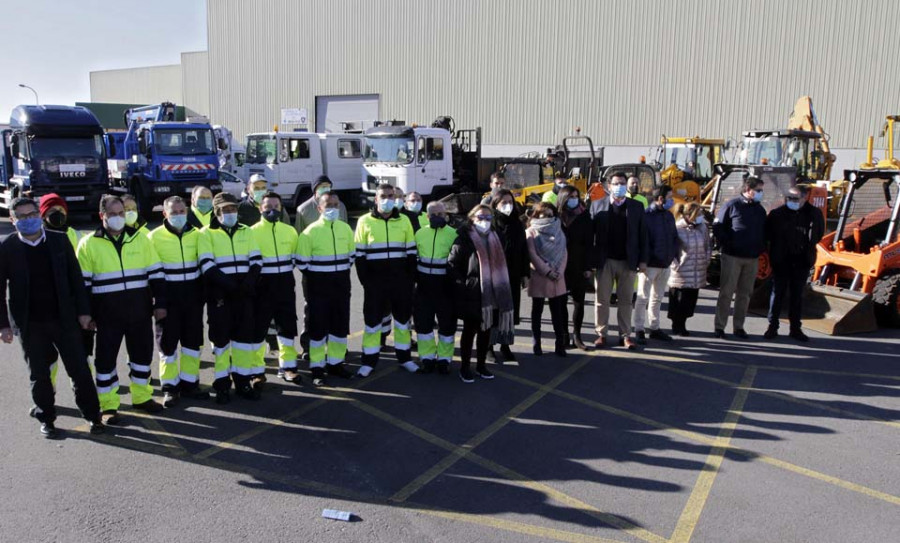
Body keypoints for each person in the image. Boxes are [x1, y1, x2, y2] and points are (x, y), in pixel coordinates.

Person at [1, 197, 104, 438]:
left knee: (79, 369)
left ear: (40, 214)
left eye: (32, 214)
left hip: (64, 319)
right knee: (39, 374)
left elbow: (75, 279)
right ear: (13, 220)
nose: (29, 220)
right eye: (23, 217)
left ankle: (92, 416)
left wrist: (84, 312)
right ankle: (46, 418)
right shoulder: (7, 248)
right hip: (31, 324)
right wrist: (3, 325)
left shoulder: (59, 241)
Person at [77, 195, 167, 423]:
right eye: (113, 214)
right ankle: (108, 406)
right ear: (102, 216)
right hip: (107, 315)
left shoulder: (140, 239)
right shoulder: (88, 243)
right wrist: (86, 313)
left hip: (139, 311)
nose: (118, 218)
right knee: (105, 362)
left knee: (142, 358)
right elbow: (82, 285)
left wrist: (161, 304)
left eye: (121, 213)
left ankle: (142, 398)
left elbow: (156, 274)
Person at [198, 192, 263, 403]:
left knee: (243, 342)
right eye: (225, 210)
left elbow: (256, 261)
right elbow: (207, 265)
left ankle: (243, 382)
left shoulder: (247, 231)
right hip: (220, 297)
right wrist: (231, 287)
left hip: (244, 295)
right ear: (216, 212)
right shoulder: (205, 234)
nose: (230, 213)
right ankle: (222, 385)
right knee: (222, 343)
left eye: (233, 208)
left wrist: (248, 284)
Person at [148, 196, 209, 407]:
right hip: (168, 301)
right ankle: (170, 388)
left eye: (182, 211)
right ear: (164, 214)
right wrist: (158, 304)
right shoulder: (154, 237)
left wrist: (202, 297)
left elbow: (204, 267)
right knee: (167, 346)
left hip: (192, 300)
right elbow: (151, 275)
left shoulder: (198, 235)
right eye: (174, 212)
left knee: (193, 344)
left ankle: (190, 384)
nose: (179, 216)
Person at [354, 183, 420, 377]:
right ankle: (369, 361)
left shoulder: (404, 221)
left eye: (391, 196)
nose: (387, 200)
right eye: (383, 196)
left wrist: (409, 280)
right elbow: (360, 256)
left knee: (402, 322)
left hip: (400, 283)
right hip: (375, 284)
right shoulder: (364, 221)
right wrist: (367, 282)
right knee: (373, 323)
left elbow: (411, 253)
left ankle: (405, 358)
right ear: (375, 199)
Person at [448, 205, 515, 383]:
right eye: (480, 217)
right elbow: (453, 265)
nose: (484, 221)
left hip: (493, 293)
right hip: (473, 292)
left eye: (488, 217)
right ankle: (464, 367)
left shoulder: (497, 236)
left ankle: (481, 365)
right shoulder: (464, 238)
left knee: (486, 331)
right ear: (471, 219)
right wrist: (465, 285)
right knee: (470, 331)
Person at [295, 191, 356, 386]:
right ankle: (317, 368)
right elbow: (302, 262)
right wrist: (321, 277)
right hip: (318, 288)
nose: (332, 209)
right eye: (328, 205)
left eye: (336, 205)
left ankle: (336, 364)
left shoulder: (345, 229)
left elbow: (351, 256)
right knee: (318, 329)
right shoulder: (310, 232)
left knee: (339, 327)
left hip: (341, 286)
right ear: (319, 208)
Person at [592, 174, 649, 350]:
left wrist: (643, 260)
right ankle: (601, 334)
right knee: (602, 299)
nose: (619, 186)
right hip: (605, 260)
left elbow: (643, 236)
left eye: (622, 184)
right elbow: (591, 236)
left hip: (628, 261)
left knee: (625, 300)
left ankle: (625, 335)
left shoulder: (637, 207)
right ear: (609, 185)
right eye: (616, 184)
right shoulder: (597, 205)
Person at [294, 175, 348, 360]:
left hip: (337, 273)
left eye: (328, 186)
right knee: (313, 311)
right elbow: (300, 238)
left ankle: (336, 353)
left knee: (338, 314)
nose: (325, 189)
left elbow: (346, 236)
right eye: (322, 186)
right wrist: (312, 272)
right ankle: (309, 346)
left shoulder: (341, 208)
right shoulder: (303, 210)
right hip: (314, 272)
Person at [250, 192, 301, 383]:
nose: (272, 210)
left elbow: (295, 258)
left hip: (285, 285)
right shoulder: (251, 232)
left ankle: (288, 367)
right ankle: (256, 371)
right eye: (267, 207)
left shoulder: (290, 231)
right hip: (261, 287)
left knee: (287, 328)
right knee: (258, 329)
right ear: (260, 208)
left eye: (276, 207)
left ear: (281, 208)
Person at [764, 185, 824, 341]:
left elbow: (818, 235)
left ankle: (795, 328)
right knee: (777, 293)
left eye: (795, 199)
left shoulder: (814, 214)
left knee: (797, 295)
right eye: (788, 198)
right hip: (781, 260)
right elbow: (768, 236)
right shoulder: (777, 214)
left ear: (805, 198)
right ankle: (772, 326)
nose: (791, 201)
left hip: (802, 260)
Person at [713, 176, 767, 339]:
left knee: (745, 294)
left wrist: (760, 248)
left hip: (752, 258)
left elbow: (764, 232)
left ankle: (739, 326)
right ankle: (720, 326)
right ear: (748, 190)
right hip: (732, 256)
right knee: (726, 292)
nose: (760, 194)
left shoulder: (760, 210)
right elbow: (718, 227)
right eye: (758, 190)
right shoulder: (732, 205)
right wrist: (729, 243)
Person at [413, 201, 458, 374]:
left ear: (446, 215)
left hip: (445, 289)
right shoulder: (419, 234)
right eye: (433, 215)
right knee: (423, 326)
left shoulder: (454, 234)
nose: (437, 217)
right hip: (424, 288)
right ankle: (427, 358)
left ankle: (445, 360)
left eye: (440, 214)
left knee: (447, 326)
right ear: (427, 216)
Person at [634, 186, 679, 343]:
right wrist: (643, 261)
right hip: (649, 264)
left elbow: (673, 237)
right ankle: (639, 329)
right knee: (642, 297)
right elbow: (642, 241)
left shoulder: (668, 216)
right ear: (660, 198)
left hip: (665, 264)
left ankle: (654, 327)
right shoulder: (646, 216)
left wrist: (674, 256)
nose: (672, 200)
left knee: (657, 298)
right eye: (669, 196)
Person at [488, 189, 528, 362]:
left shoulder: (517, 224)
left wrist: (525, 274)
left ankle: (505, 345)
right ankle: (488, 347)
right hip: (494, 275)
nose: (507, 206)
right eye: (503, 202)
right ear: (495, 204)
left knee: (509, 312)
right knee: (493, 312)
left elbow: (524, 250)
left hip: (512, 274)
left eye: (510, 202)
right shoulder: (490, 223)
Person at [526, 202, 568, 357]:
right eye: (544, 214)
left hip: (557, 277)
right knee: (537, 311)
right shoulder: (531, 232)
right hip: (540, 276)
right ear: (537, 215)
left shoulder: (559, 229)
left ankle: (560, 344)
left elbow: (564, 252)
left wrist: (559, 271)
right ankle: (536, 343)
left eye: (551, 214)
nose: (548, 217)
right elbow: (532, 255)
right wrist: (547, 271)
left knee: (557, 312)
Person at [557, 186, 593, 350]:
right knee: (561, 302)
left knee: (579, 302)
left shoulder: (584, 216)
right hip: (560, 265)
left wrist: (587, 267)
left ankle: (577, 336)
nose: (574, 199)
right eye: (570, 196)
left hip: (579, 264)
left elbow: (589, 243)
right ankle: (563, 335)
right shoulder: (557, 217)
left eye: (576, 196)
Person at [668, 203, 711, 336]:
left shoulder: (702, 227)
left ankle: (683, 324)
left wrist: (706, 259)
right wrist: (676, 265)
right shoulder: (677, 228)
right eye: (697, 214)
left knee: (690, 301)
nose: (700, 217)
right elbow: (670, 249)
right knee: (679, 300)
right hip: (681, 272)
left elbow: (707, 245)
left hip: (697, 270)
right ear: (688, 215)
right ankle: (677, 325)